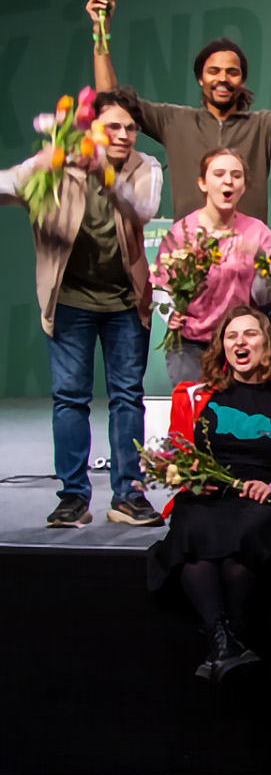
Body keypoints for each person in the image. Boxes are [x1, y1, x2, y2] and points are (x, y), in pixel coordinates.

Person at [0, 91, 165, 528]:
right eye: (114, 127)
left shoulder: (144, 167)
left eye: (130, 128)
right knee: (69, 399)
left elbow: (143, 210)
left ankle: (128, 493)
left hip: (126, 303)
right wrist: (42, 163)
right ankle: (73, 496)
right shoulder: (56, 170)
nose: (125, 135)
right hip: (70, 302)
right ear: (91, 130)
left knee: (127, 398)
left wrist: (107, 176)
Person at [146, 305, 271, 680]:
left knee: (245, 537)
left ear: (267, 344)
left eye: (249, 334)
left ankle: (223, 642)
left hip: (264, 494)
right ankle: (228, 643)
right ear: (222, 346)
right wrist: (185, 472)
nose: (239, 342)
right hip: (207, 493)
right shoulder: (193, 395)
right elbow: (180, 452)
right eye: (231, 335)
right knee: (192, 530)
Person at [90, 0, 271, 222]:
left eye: (232, 72)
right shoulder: (174, 121)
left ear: (242, 81)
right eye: (214, 71)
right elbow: (111, 101)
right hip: (188, 250)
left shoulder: (262, 127)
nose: (222, 79)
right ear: (200, 78)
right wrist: (101, 32)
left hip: (248, 251)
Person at [155, 149, 271, 387]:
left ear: (243, 186)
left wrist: (262, 260)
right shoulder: (183, 232)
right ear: (202, 183)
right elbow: (160, 284)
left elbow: (263, 297)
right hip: (190, 344)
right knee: (194, 416)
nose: (228, 181)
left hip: (239, 345)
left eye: (236, 175)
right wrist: (170, 313)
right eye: (219, 174)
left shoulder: (257, 231)